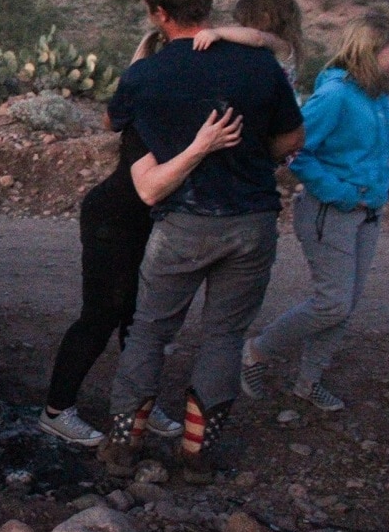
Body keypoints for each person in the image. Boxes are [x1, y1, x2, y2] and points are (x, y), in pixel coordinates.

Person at [98, 0, 305, 484]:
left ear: (158, 11)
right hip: (252, 220)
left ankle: (123, 446)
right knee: (224, 336)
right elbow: (291, 137)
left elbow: (111, 120)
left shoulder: (148, 76)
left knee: (149, 332)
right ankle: (197, 454)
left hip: (183, 223)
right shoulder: (259, 65)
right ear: (207, 0)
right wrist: (257, 155)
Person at [38, 36, 244, 446]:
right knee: (101, 315)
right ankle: (56, 410)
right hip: (112, 219)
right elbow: (152, 186)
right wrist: (203, 147)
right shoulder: (144, 118)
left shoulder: (173, 112)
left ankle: (137, 407)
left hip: (143, 223)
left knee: (139, 318)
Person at [240, 12, 389, 413]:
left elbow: (373, 147)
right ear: (370, 49)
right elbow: (293, 149)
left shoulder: (378, 92)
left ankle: (308, 383)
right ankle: (256, 352)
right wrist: (343, 193)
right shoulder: (335, 96)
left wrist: (382, 182)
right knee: (333, 302)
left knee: (344, 305)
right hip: (330, 213)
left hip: (368, 212)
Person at [194, 0, 305, 89]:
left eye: (247, 24)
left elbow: (257, 37)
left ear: (265, 18)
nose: (245, 30)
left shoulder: (281, 45)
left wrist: (218, 33)